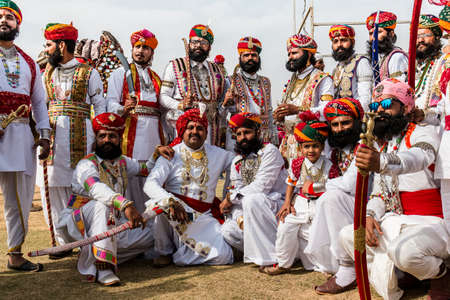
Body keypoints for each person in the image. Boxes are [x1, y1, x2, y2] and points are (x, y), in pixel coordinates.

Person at [317, 78, 442, 297]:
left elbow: (421, 156)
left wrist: (382, 162)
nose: (380, 111)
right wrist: (370, 215)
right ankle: (401, 282)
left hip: (431, 223)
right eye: (375, 106)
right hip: (396, 222)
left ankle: (442, 273)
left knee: (404, 252)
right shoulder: (383, 142)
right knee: (350, 235)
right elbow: (379, 193)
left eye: (387, 105)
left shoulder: (422, 131)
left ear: (406, 107)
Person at [57, 112, 172, 286]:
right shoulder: (86, 164)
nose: (107, 140)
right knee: (101, 206)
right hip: (78, 225)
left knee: (153, 233)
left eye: (112, 136)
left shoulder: (123, 162)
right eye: (102, 136)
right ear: (96, 139)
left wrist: (156, 154)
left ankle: (103, 253)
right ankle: (103, 267)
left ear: (119, 138)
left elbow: (145, 169)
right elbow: (96, 188)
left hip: (113, 225)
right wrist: (125, 204)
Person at [37, 23, 106, 253]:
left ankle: (82, 239)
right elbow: (40, 105)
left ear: (62, 45)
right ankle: (61, 242)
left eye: (49, 45)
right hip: (53, 140)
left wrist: (100, 137)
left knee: (81, 187)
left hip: (82, 137)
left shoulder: (89, 72)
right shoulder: (46, 72)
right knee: (54, 188)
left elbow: (101, 107)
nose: (46, 50)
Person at [144, 108, 234, 266]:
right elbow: (150, 183)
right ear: (182, 131)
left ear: (206, 133)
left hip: (204, 216)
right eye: (190, 128)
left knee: (223, 257)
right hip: (176, 214)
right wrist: (171, 201)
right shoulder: (171, 153)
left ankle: (179, 258)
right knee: (160, 205)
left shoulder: (219, 154)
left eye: (200, 128)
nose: (195, 132)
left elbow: (241, 162)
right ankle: (164, 251)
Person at [0, 0, 51, 272]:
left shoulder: (29, 62)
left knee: (19, 197)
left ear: (17, 24)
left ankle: (15, 254)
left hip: (19, 135)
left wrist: (44, 135)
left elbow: (39, 102)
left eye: (9, 16)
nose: (3, 20)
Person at [261, 112, 339, 275]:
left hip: (320, 206)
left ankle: (327, 266)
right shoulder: (297, 163)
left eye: (315, 146)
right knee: (285, 226)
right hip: (300, 204)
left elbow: (334, 187)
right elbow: (290, 182)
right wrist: (287, 202)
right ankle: (283, 263)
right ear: (300, 147)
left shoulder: (330, 165)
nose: (311, 150)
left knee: (318, 235)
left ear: (322, 146)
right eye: (307, 146)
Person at [304, 97, 364, 274]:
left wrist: (315, 187)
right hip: (346, 204)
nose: (340, 129)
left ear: (356, 122)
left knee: (331, 198)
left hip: (365, 204)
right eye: (335, 125)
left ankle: (348, 266)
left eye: (345, 123)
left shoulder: (363, 145)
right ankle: (333, 263)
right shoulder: (337, 150)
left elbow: (349, 183)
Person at [106, 29, 164, 213]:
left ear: (152, 52)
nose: (140, 51)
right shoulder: (120, 74)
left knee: (152, 183)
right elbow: (110, 103)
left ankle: (152, 231)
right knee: (129, 182)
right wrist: (123, 108)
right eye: (137, 47)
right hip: (130, 139)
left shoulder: (156, 78)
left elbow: (162, 110)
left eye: (145, 48)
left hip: (154, 138)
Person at [219, 112, 286, 270]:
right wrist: (240, 219)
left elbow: (260, 187)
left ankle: (274, 258)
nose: (243, 137)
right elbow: (237, 191)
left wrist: (229, 198)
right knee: (228, 230)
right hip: (249, 207)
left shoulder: (270, 151)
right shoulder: (237, 161)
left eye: (247, 132)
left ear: (257, 132)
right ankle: (265, 252)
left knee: (253, 199)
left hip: (276, 207)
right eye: (239, 134)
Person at [160, 24, 226, 145]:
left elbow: (221, 101)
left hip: (210, 130)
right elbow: (163, 97)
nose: (198, 46)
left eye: (204, 43)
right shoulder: (175, 66)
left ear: (209, 47)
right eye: (195, 42)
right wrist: (180, 104)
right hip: (185, 127)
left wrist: (226, 103)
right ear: (189, 43)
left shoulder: (216, 70)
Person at [274, 33, 334, 161]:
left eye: (295, 53)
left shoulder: (323, 79)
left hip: (311, 145)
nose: (290, 57)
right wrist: (280, 116)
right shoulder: (292, 81)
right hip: (288, 143)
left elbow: (326, 111)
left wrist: (297, 110)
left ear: (309, 54)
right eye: (289, 54)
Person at [221, 37, 277, 146]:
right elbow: (221, 113)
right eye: (246, 55)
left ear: (258, 58)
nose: (250, 58)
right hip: (240, 138)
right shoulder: (230, 80)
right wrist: (225, 103)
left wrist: (274, 135)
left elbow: (269, 111)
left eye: (253, 55)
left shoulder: (266, 82)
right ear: (240, 58)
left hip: (262, 137)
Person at [414, 14, 449, 127]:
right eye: (417, 36)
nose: (420, 40)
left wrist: (423, 114)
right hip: (410, 126)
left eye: (426, 35)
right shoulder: (412, 65)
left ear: (437, 37)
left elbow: (444, 106)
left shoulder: (443, 63)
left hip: (435, 127)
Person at [329, 24, 373, 110]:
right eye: (335, 41)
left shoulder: (361, 62)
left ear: (353, 42)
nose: (339, 45)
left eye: (343, 40)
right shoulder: (337, 68)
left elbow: (365, 99)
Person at [366, 11, 408, 82]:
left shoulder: (397, 57)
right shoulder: (378, 57)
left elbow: (397, 88)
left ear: (391, 34)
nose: (373, 37)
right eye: (371, 33)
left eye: (378, 32)